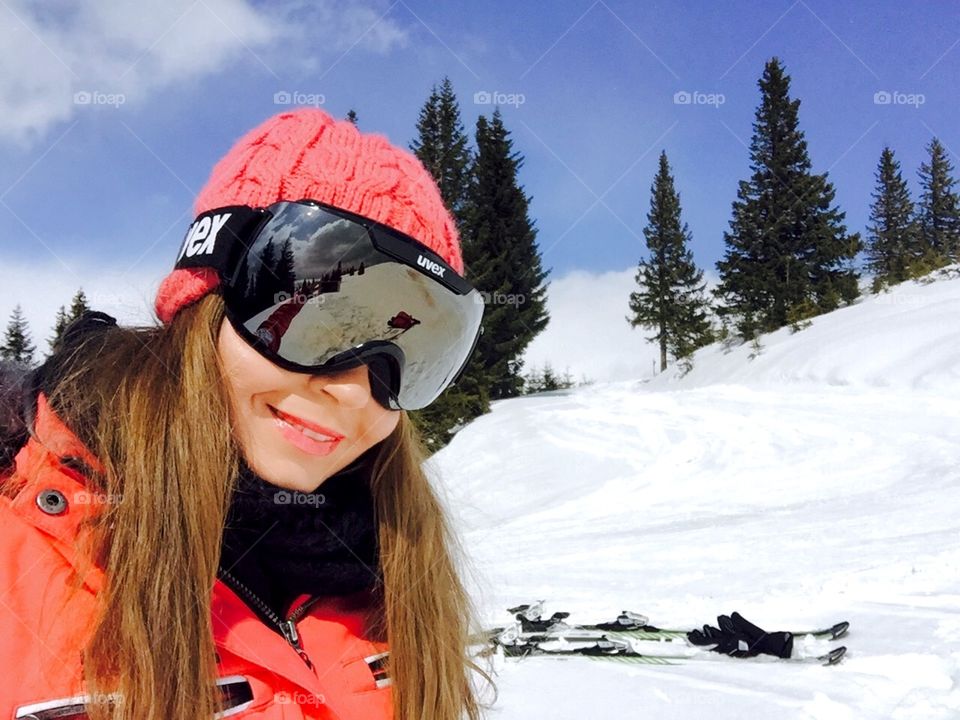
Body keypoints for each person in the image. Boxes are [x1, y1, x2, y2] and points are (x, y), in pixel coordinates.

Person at [0, 108, 491, 720]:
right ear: (209, 294)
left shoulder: (393, 574)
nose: (356, 391)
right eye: (319, 317)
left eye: (413, 350)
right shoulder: (24, 548)